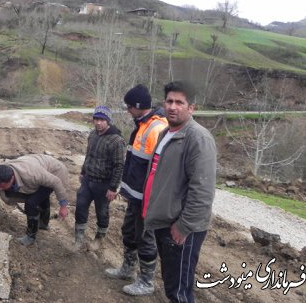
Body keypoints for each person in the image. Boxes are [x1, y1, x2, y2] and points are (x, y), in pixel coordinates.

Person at [143, 80, 216, 303]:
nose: (173, 107)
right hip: (165, 222)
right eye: (169, 101)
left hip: (181, 228)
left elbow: (202, 190)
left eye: (180, 102)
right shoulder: (168, 132)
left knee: (180, 291)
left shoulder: (198, 138)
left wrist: (183, 227)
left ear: (191, 107)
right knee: (171, 282)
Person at [105, 84, 168, 296]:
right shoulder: (141, 125)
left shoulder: (156, 128)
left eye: (130, 106)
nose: (128, 110)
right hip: (135, 195)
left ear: (140, 106)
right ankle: (127, 269)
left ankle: (146, 281)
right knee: (129, 232)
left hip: (148, 198)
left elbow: (160, 170)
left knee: (145, 237)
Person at [74, 106, 125, 246]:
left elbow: (119, 166)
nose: (98, 123)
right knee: (80, 206)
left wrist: (113, 188)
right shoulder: (93, 134)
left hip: (104, 184)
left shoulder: (116, 140)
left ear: (108, 121)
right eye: (96, 119)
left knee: (102, 212)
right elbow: (89, 155)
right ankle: (79, 238)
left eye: (102, 120)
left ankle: (100, 238)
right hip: (88, 180)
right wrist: (83, 171)